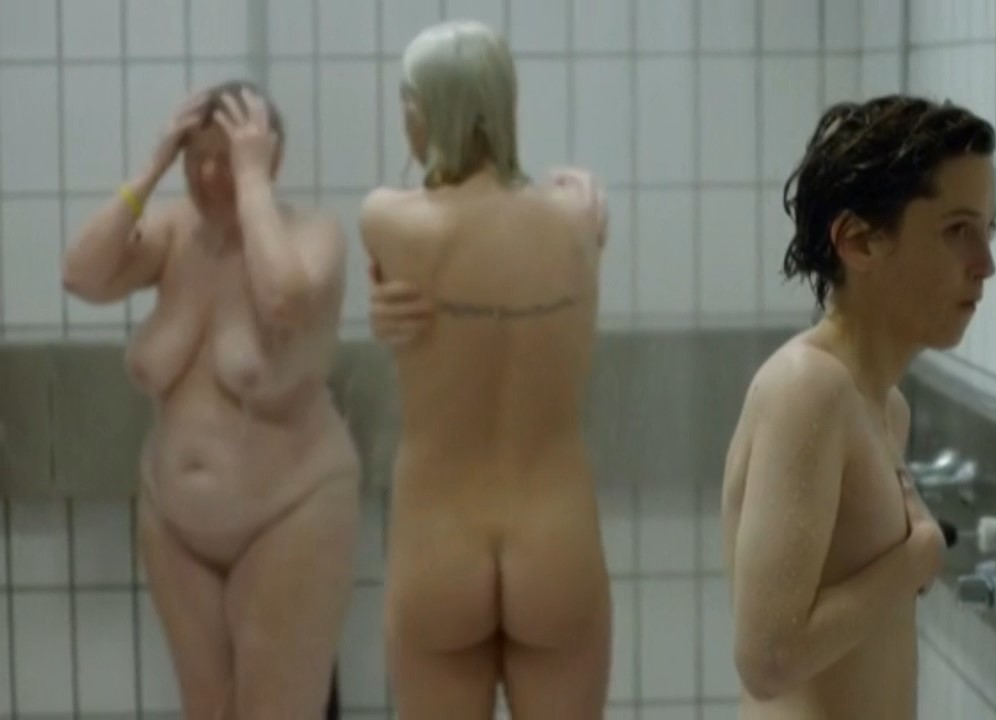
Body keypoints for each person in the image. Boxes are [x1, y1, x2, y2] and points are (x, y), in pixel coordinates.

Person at [61, 81, 360, 719]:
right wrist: (150, 170)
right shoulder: (175, 234)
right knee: (207, 711)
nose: (207, 175)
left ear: (269, 159)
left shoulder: (314, 235)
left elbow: (282, 300)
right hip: (174, 521)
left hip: (291, 507)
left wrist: (252, 188)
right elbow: (81, 276)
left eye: (227, 158)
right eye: (195, 159)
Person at [359, 20, 611, 720]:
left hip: (437, 539)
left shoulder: (387, 220)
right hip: (555, 534)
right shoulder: (578, 220)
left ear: (423, 111)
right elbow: (569, 222)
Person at [720, 95, 996, 719]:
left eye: (988, 230)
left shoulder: (882, 406)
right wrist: (916, 559)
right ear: (858, 241)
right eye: (957, 231)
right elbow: (767, 659)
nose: (986, 265)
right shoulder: (807, 389)